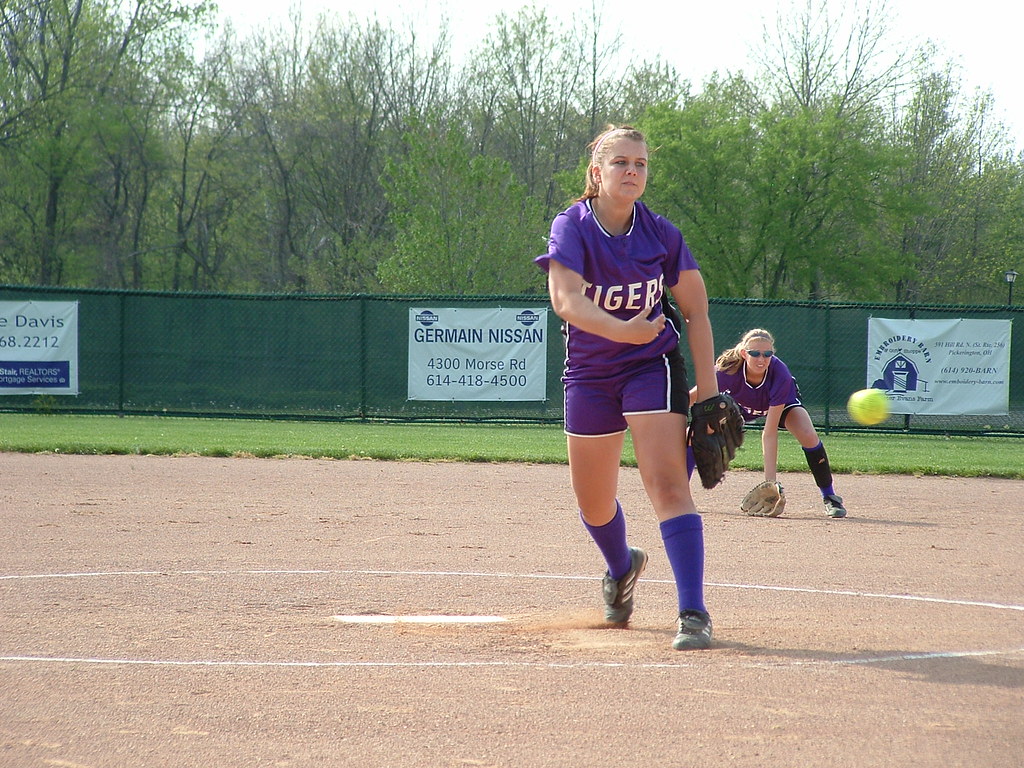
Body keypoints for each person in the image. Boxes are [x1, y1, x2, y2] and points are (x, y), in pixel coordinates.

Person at [534, 124, 727, 651]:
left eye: (640, 164)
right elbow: (566, 301)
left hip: (651, 366)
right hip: (592, 373)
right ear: (596, 174)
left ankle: (693, 612)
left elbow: (696, 311)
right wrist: (626, 330)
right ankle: (622, 567)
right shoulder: (571, 226)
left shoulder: (661, 234)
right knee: (594, 504)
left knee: (667, 484)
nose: (633, 172)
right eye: (621, 163)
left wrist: (707, 393)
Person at [706, 328, 847, 518]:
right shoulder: (725, 372)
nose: (761, 359)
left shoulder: (780, 374)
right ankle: (681, 493)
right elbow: (696, 394)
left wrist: (770, 483)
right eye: (754, 353)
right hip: (739, 406)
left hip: (780, 405)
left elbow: (769, 432)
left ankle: (830, 496)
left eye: (767, 354)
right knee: (700, 431)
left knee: (808, 434)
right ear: (743, 353)